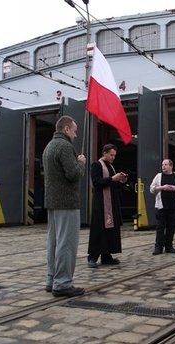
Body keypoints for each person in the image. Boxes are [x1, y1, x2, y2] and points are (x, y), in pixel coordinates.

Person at [42, 115, 86, 297]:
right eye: (74, 131)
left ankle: (52, 279)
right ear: (66, 129)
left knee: (54, 242)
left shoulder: (49, 146)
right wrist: (81, 163)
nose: (75, 135)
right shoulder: (65, 146)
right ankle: (62, 283)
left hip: (52, 201)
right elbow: (73, 174)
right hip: (67, 202)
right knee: (67, 243)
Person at [87, 144, 128, 268]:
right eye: (111, 155)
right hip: (101, 203)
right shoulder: (97, 165)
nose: (113, 158)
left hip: (111, 202)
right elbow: (96, 182)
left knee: (110, 230)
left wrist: (120, 180)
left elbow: (112, 183)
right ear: (104, 153)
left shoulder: (111, 166)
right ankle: (92, 257)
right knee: (99, 229)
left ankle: (107, 256)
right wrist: (112, 179)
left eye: (114, 155)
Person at [150, 159, 175, 255]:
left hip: (174, 207)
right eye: (163, 165)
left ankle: (169, 246)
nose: (163, 166)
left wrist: (174, 188)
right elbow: (152, 189)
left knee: (171, 227)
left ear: (171, 166)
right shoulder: (158, 176)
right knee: (160, 227)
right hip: (161, 207)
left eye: (166, 165)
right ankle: (158, 247)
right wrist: (162, 187)